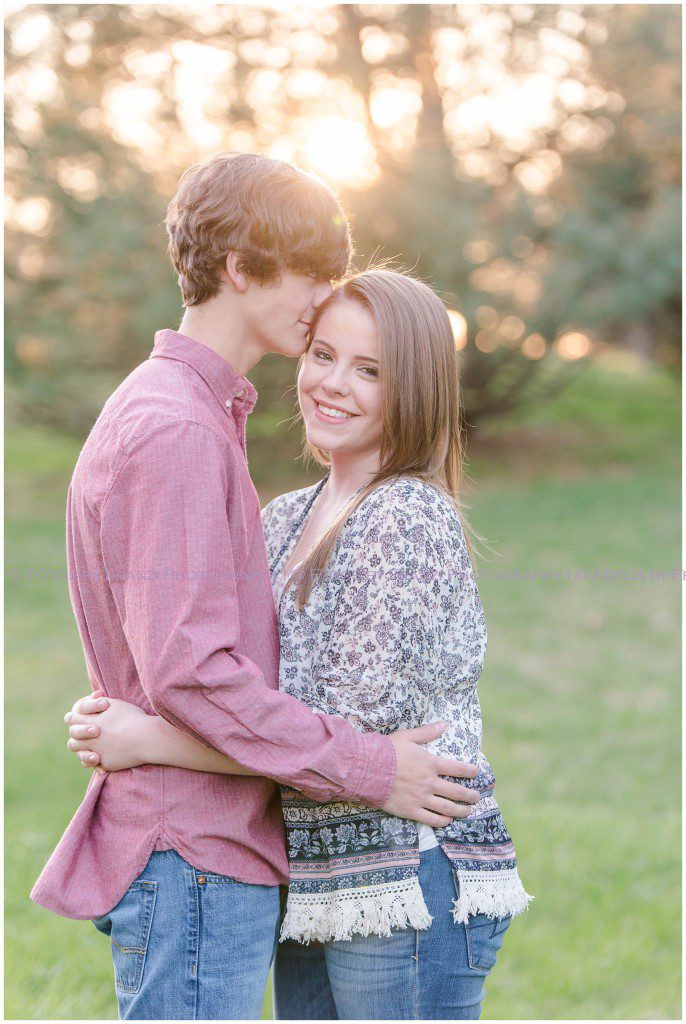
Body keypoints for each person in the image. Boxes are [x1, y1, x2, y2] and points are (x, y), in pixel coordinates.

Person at [31, 154, 483, 1021]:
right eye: (310, 273)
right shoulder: (176, 429)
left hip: (259, 856)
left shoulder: (190, 419)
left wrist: (147, 736)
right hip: (196, 847)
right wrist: (370, 766)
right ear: (241, 268)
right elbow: (194, 675)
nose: (323, 293)